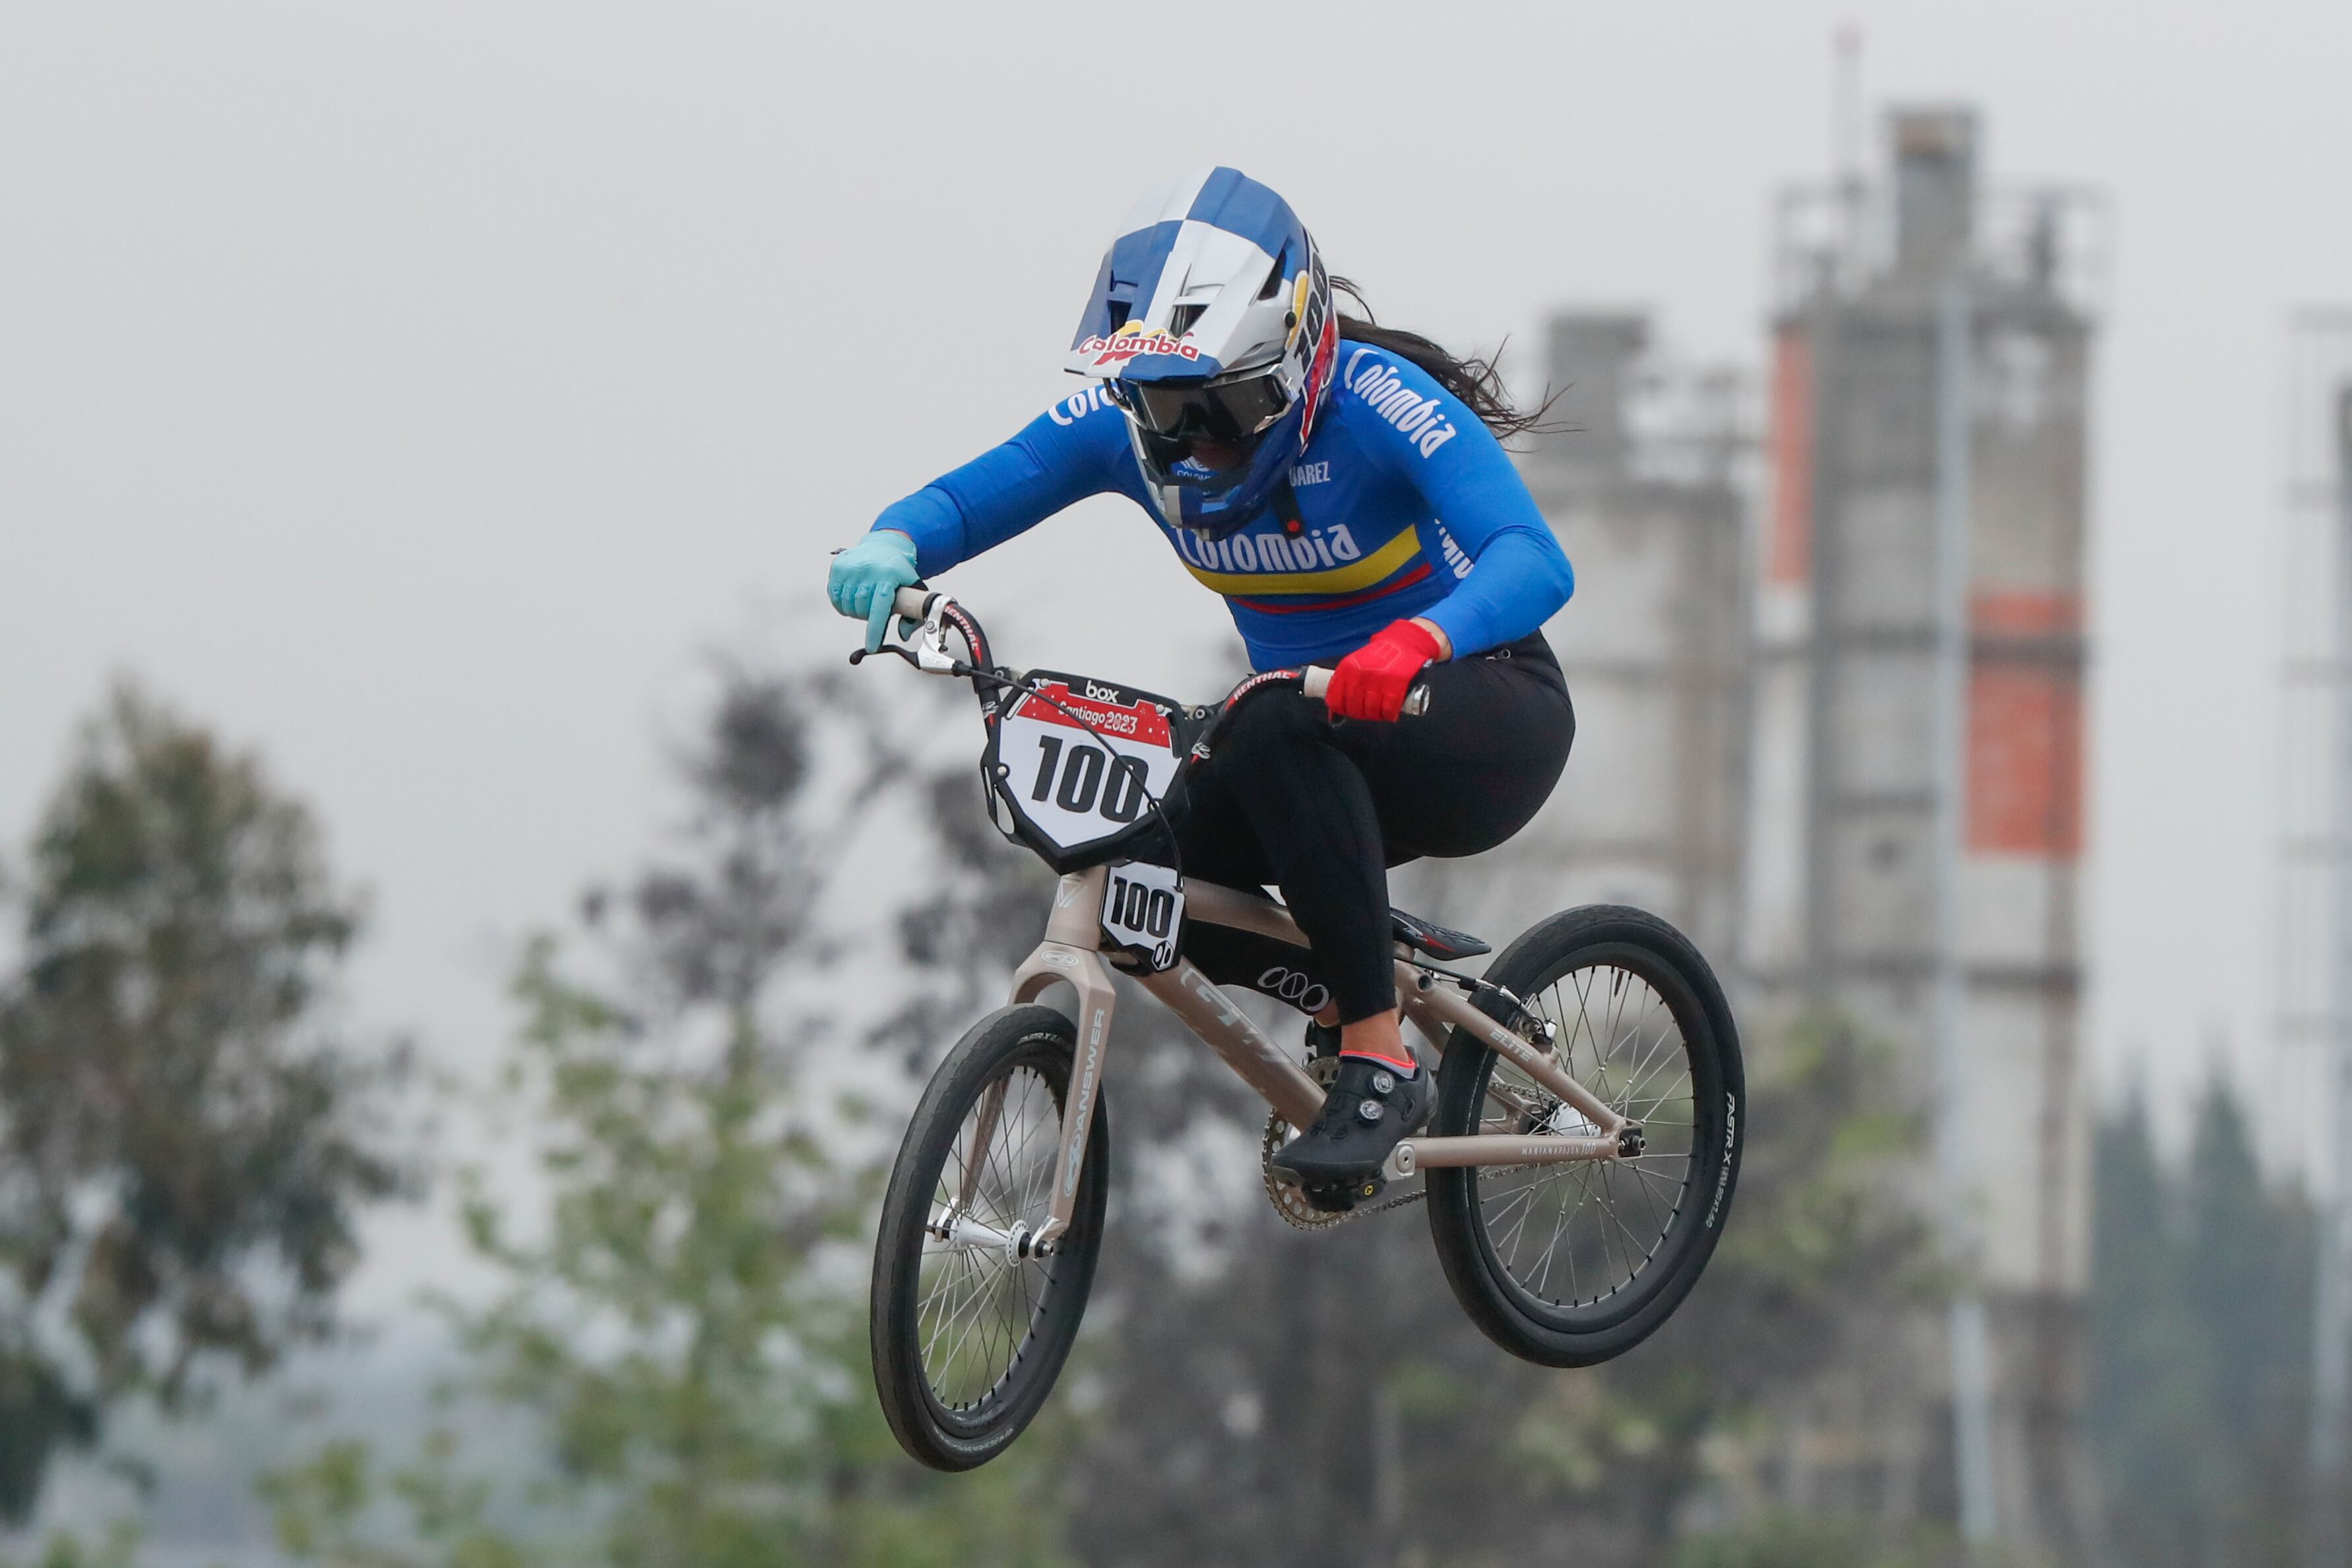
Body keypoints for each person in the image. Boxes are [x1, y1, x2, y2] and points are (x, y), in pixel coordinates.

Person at [827, 167, 1575, 1210]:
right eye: (1166, 410)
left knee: (1269, 715)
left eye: (1222, 405)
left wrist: (1419, 639)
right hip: (1308, 745)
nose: (1194, 442)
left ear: (1301, 352)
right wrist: (894, 540)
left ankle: (1379, 1054)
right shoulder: (1128, 427)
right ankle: (1346, 966)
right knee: (1134, 863)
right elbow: (978, 490)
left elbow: (1535, 560)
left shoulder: (1380, 404)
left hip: (1474, 714)